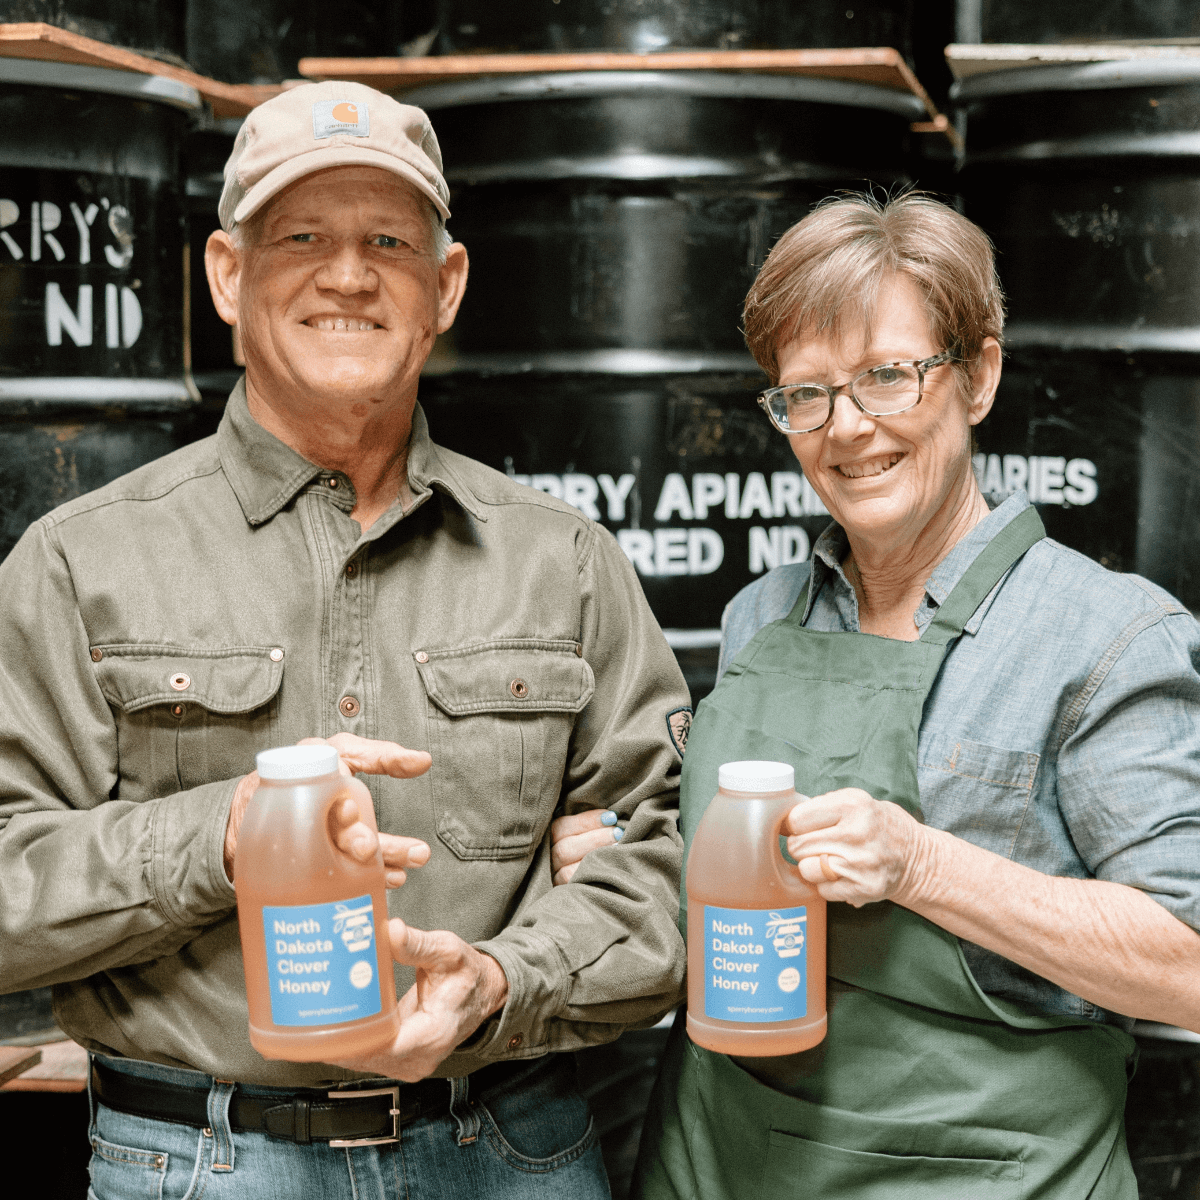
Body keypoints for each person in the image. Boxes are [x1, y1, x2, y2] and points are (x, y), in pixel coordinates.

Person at [0, 81, 689, 1198]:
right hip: (201, 1163)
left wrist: (505, 981)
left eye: (389, 242)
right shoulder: (80, 563)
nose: (349, 276)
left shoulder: (561, 562)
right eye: (302, 237)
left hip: (509, 1151)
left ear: (445, 287)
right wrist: (222, 837)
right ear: (227, 275)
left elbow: (670, 864)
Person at [556, 191, 1200, 1198]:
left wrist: (917, 863)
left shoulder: (1107, 637)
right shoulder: (759, 617)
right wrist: (634, 874)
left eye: (887, 378)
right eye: (803, 394)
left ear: (977, 375)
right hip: (718, 1168)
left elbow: (1190, 968)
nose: (846, 429)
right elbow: (743, 914)